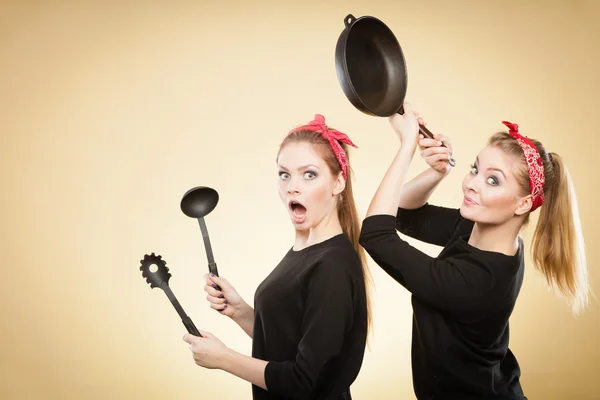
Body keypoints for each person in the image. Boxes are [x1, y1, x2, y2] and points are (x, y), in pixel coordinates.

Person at [358, 103, 590, 400]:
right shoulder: (477, 230)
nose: (471, 184)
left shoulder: (477, 282)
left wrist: (406, 147)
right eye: (475, 169)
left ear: (523, 204)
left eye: (492, 180)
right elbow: (403, 214)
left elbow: (376, 233)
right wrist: (437, 171)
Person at [183, 114, 372, 400]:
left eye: (309, 174)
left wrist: (223, 358)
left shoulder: (332, 266)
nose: (292, 187)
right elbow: (291, 344)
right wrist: (241, 312)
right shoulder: (305, 251)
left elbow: (302, 380)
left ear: (338, 183)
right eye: (284, 174)